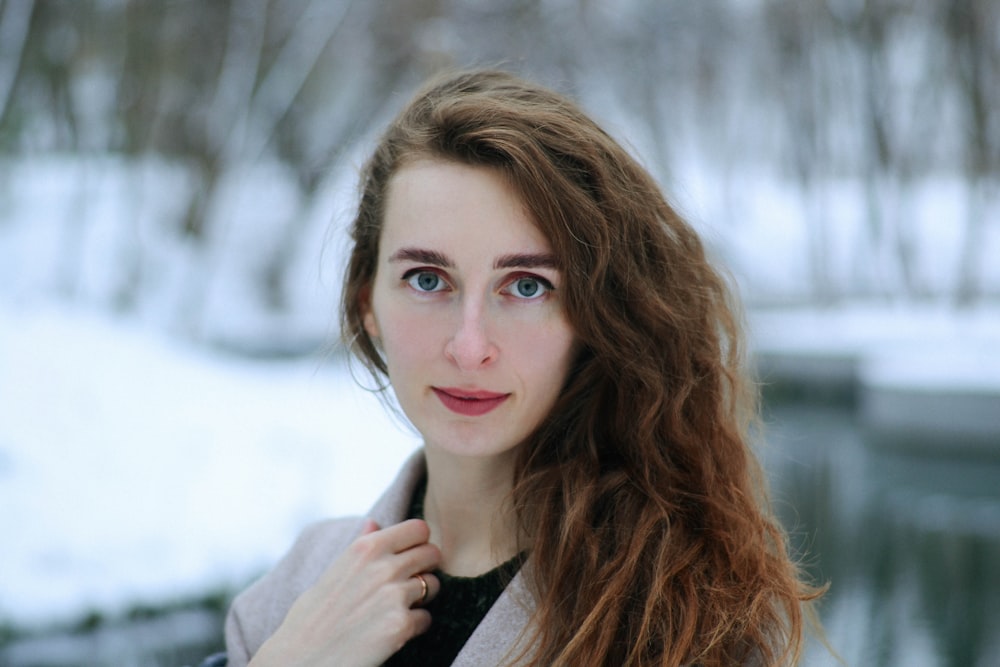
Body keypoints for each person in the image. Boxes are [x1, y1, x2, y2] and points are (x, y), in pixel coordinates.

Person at [212, 68, 824, 667]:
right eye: (427, 279)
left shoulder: (686, 617)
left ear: (593, 315)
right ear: (366, 302)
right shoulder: (297, 595)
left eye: (526, 287)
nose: (470, 346)